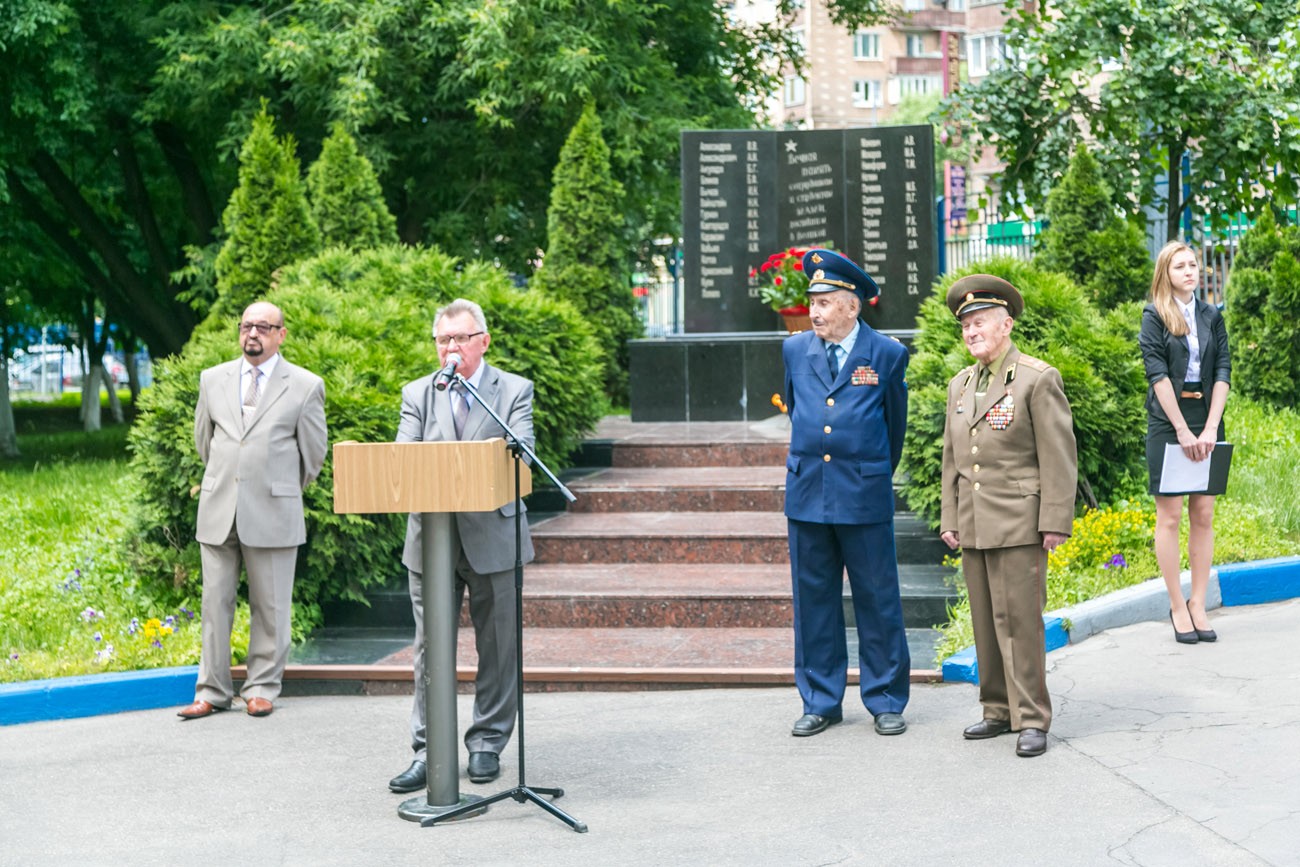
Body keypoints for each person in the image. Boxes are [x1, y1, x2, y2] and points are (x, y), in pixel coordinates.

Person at [388, 298, 536, 793]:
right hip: (432, 539)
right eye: (443, 339)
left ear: (483, 342)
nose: (451, 347)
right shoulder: (418, 393)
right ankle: (428, 751)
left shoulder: (512, 390)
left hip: (494, 534)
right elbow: (403, 461)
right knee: (429, 649)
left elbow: (522, 456)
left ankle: (487, 743)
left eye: (460, 338)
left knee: (498, 647)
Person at [939, 275, 1077, 758]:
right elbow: (952, 459)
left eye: (980, 322)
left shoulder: (1036, 379)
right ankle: (997, 709)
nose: (971, 332)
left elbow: (1059, 456)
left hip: (1019, 521)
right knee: (984, 621)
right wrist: (950, 517)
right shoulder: (960, 384)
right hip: (975, 521)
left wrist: (1054, 520)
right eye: (966, 326)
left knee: (1019, 621)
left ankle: (1032, 717)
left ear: (1006, 325)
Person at [782, 248, 911, 739]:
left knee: (877, 599)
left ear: (852, 306)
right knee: (813, 601)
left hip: (863, 494)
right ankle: (820, 701)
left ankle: (885, 699)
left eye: (825, 302)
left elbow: (893, 428)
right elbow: (797, 409)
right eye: (812, 302)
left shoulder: (887, 354)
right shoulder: (795, 350)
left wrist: (869, 472)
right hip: (808, 493)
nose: (814, 312)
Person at [178, 301, 328, 720]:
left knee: (271, 606)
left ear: (281, 334)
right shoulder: (213, 380)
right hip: (219, 507)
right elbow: (205, 442)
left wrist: (275, 486)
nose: (253, 334)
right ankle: (212, 691)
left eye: (263, 327)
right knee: (214, 605)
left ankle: (261, 688)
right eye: (247, 326)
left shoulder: (305, 385)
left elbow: (313, 456)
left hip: (274, 509)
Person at [1139, 241, 1230, 644]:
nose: (1190, 271)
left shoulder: (1212, 315)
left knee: (1204, 513)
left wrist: (1211, 427)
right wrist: (1181, 429)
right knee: (1171, 515)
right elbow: (1157, 374)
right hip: (1168, 419)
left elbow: (1223, 369)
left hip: (1207, 415)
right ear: (1166, 273)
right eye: (1180, 266)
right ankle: (1177, 605)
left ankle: (1198, 603)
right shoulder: (1154, 315)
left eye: (1193, 264)